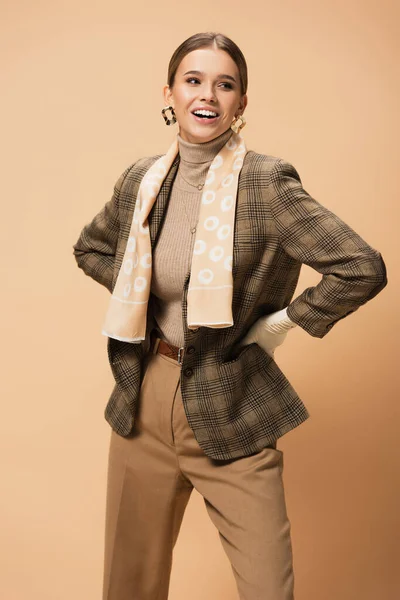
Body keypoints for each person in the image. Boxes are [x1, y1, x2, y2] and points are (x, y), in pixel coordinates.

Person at [72, 31, 388, 600]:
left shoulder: (268, 184)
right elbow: (91, 249)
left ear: (242, 102)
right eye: (194, 80)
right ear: (169, 91)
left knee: (268, 588)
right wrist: (138, 292)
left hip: (233, 400)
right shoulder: (141, 181)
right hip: (144, 399)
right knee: (128, 588)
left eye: (225, 84)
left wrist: (281, 324)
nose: (208, 95)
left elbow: (360, 266)